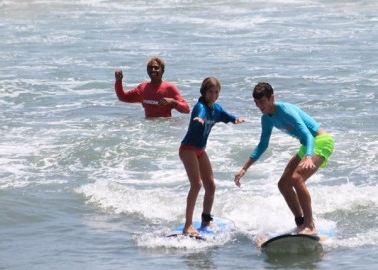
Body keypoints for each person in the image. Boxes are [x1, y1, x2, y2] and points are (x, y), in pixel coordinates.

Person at [234, 82, 335, 235]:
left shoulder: (286, 111)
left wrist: (308, 156)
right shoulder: (266, 118)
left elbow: (308, 135)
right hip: (306, 145)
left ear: (271, 98)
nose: (259, 106)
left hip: (320, 141)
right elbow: (262, 145)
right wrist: (244, 168)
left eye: (262, 101)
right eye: (256, 102)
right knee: (283, 184)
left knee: (296, 178)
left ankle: (310, 226)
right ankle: (301, 223)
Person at [179, 76, 245, 235]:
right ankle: (188, 225)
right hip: (188, 149)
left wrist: (235, 119)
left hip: (200, 150)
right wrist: (198, 119)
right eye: (210, 92)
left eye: (216, 92)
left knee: (211, 185)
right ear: (204, 91)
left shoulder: (217, 109)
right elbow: (199, 114)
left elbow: (226, 116)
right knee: (196, 184)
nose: (214, 95)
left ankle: (206, 221)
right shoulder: (200, 107)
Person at [114, 57, 190, 117]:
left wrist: (174, 102)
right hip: (149, 130)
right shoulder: (143, 88)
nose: (153, 70)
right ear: (147, 71)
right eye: (150, 68)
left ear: (162, 71)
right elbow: (123, 97)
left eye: (156, 68)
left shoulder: (170, 88)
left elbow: (187, 110)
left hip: (166, 128)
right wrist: (118, 81)